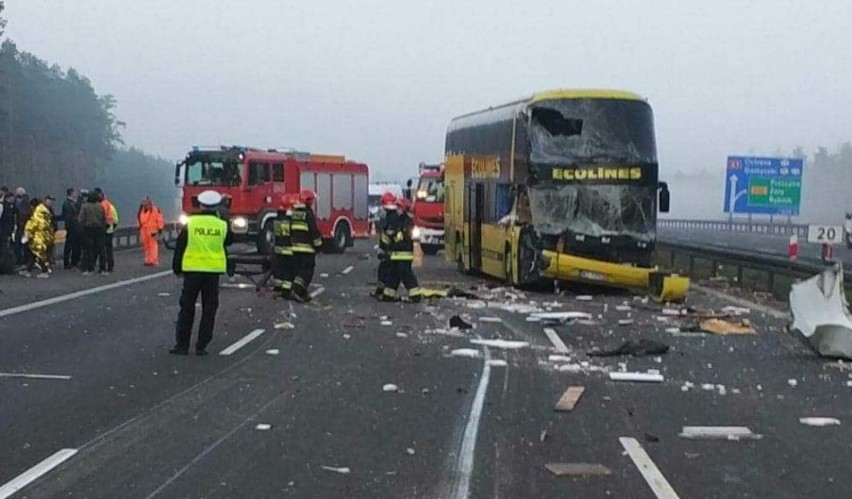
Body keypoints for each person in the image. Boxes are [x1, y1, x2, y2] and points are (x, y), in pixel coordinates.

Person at [171, 190, 232, 355]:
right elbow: (229, 240)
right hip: (212, 272)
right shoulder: (222, 225)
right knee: (209, 309)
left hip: (192, 271)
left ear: (201, 205)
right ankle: (202, 345)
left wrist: (177, 268)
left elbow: (180, 246)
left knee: (187, 308)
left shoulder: (191, 223)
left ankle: (182, 345)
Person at [383, 197, 423, 302]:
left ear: (404, 208)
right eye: (397, 207)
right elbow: (389, 235)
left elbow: (408, 237)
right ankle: (388, 295)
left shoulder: (408, 222)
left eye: (399, 207)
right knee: (393, 275)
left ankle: (415, 295)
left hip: (405, 254)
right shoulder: (395, 220)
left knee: (406, 274)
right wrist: (385, 249)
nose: (397, 209)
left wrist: (398, 236)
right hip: (395, 254)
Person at [289, 189, 323, 302]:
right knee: (307, 270)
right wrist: (319, 245)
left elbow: (291, 230)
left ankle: (303, 293)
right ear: (308, 201)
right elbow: (314, 231)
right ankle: (296, 289)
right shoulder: (308, 214)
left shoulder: (295, 213)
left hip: (295, 248)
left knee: (299, 269)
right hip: (307, 249)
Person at [372, 191, 400, 299]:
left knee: (386, 271)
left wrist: (383, 249)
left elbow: (387, 237)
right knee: (384, 270)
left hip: (391, 251)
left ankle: (384, 292)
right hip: (391, 250)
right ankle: (381, 291)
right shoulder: (393, 216)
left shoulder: (390, 218)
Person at [21, 197, 55, 278]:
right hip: (46, 235)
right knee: (34, 254)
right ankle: (28, 270)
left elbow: (34, 224)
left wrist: (27, 234)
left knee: (39, 254)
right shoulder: (45, 211)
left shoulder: (38, 212)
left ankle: (44, 271)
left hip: (39, 237)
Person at [272, 193, 296, 298]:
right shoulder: (291, 220)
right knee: (288, 271)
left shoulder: (277, 218)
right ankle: (286, 290)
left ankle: (277, 286)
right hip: (289, 249)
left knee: (279, 270)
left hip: (278, 249)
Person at [78, 191, 106, 276]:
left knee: (88, 249)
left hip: (88, 229)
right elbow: (103, 218)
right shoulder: (100, 206)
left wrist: (81, 228)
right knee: (100, 249)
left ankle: (89, 269)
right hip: (99, 229)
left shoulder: (85, 206)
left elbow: (81, 218)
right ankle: (102, 269)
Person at [96, 189, 119, 274]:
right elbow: (116, 219)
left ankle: (102, 267)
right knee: (109, 250)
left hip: (102, 230)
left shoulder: (100, 206)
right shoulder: (111, 206)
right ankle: (110, 266)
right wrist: (113, 227)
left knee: (102, 250)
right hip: (110, 230)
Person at [138, 197, 165, 266]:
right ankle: (148, 260)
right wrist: (140, 227)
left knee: (153, 246)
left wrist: (160, 228)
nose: (145, 205)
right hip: (144, 230)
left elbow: (160, 219)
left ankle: (154, 261)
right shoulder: (142, 210)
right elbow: (139, 219)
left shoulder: (155, 210)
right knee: (146, 246)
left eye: (146, 203)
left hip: (152, 230)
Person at [61, 188, 81, 269]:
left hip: (74, 227)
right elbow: (69, 217)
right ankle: (67, 262)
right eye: (74, 192)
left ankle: (74, 261)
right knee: (69, 245)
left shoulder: (72, 203)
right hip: (71, 228)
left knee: (75, 245)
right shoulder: (67, 204)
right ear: (71, 193)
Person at [13, 188, 31, 267]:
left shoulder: (18, 203)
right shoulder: (27, 202)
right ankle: (26, 261)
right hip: (26, 226)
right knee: (25, 244)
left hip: (21, 226)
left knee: (19, 244)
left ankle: (21, 261)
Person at [0, 187, 16, 273]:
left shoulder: (8, 207)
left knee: (6, 250)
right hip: (5, 232)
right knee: (4, 250)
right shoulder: (4, 207)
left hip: (6, 232)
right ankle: (4, 267)